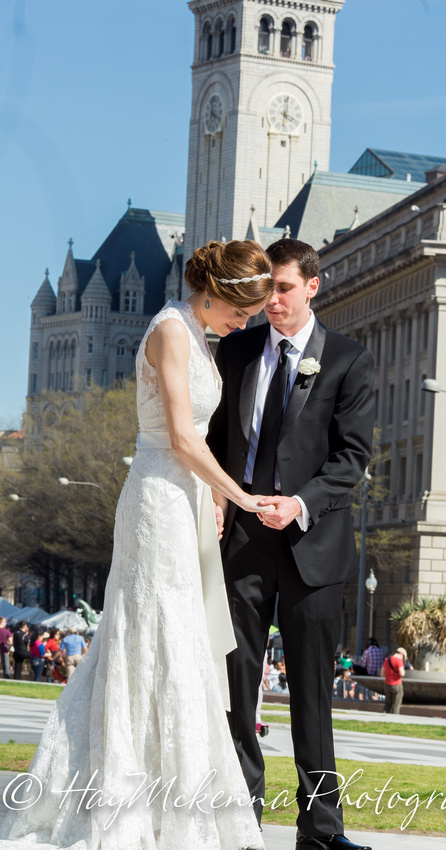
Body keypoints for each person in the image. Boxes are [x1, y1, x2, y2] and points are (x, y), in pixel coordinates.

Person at [0, 239, 274, 850]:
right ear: (218, 292)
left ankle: (168, 794)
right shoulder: (173, 331)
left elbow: (196, 435)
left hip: (186, 498)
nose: (246, 320)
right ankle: (124, 798)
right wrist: (244, 494)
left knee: (180, 636)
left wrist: (216, 498)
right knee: (152, 633)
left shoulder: (198, 334)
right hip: (157, 494)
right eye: (243, 308)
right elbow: (179, 435)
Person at [207, 237, 375, 850]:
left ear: (312, 286)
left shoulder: (349, 361)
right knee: (236, 682)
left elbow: (352, 458)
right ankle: (239, 815)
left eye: (281, 288)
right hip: (243, 542)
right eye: (264, 289)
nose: (270, 300)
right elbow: (217, 438)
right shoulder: (236, 349)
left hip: (314, 546)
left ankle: (322, 829)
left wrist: (299, 503)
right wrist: (223, 503)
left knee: (310, 692)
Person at [380, 647, 407, 715]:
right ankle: (395, 718)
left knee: (387, 703)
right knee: (396, 705)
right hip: (397, 684)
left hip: (387, 684)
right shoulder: (399, 661)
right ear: (401, 654)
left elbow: (382, 674)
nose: (403, 659)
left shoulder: (386, 660)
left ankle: (383, 716)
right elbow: (402, 673)